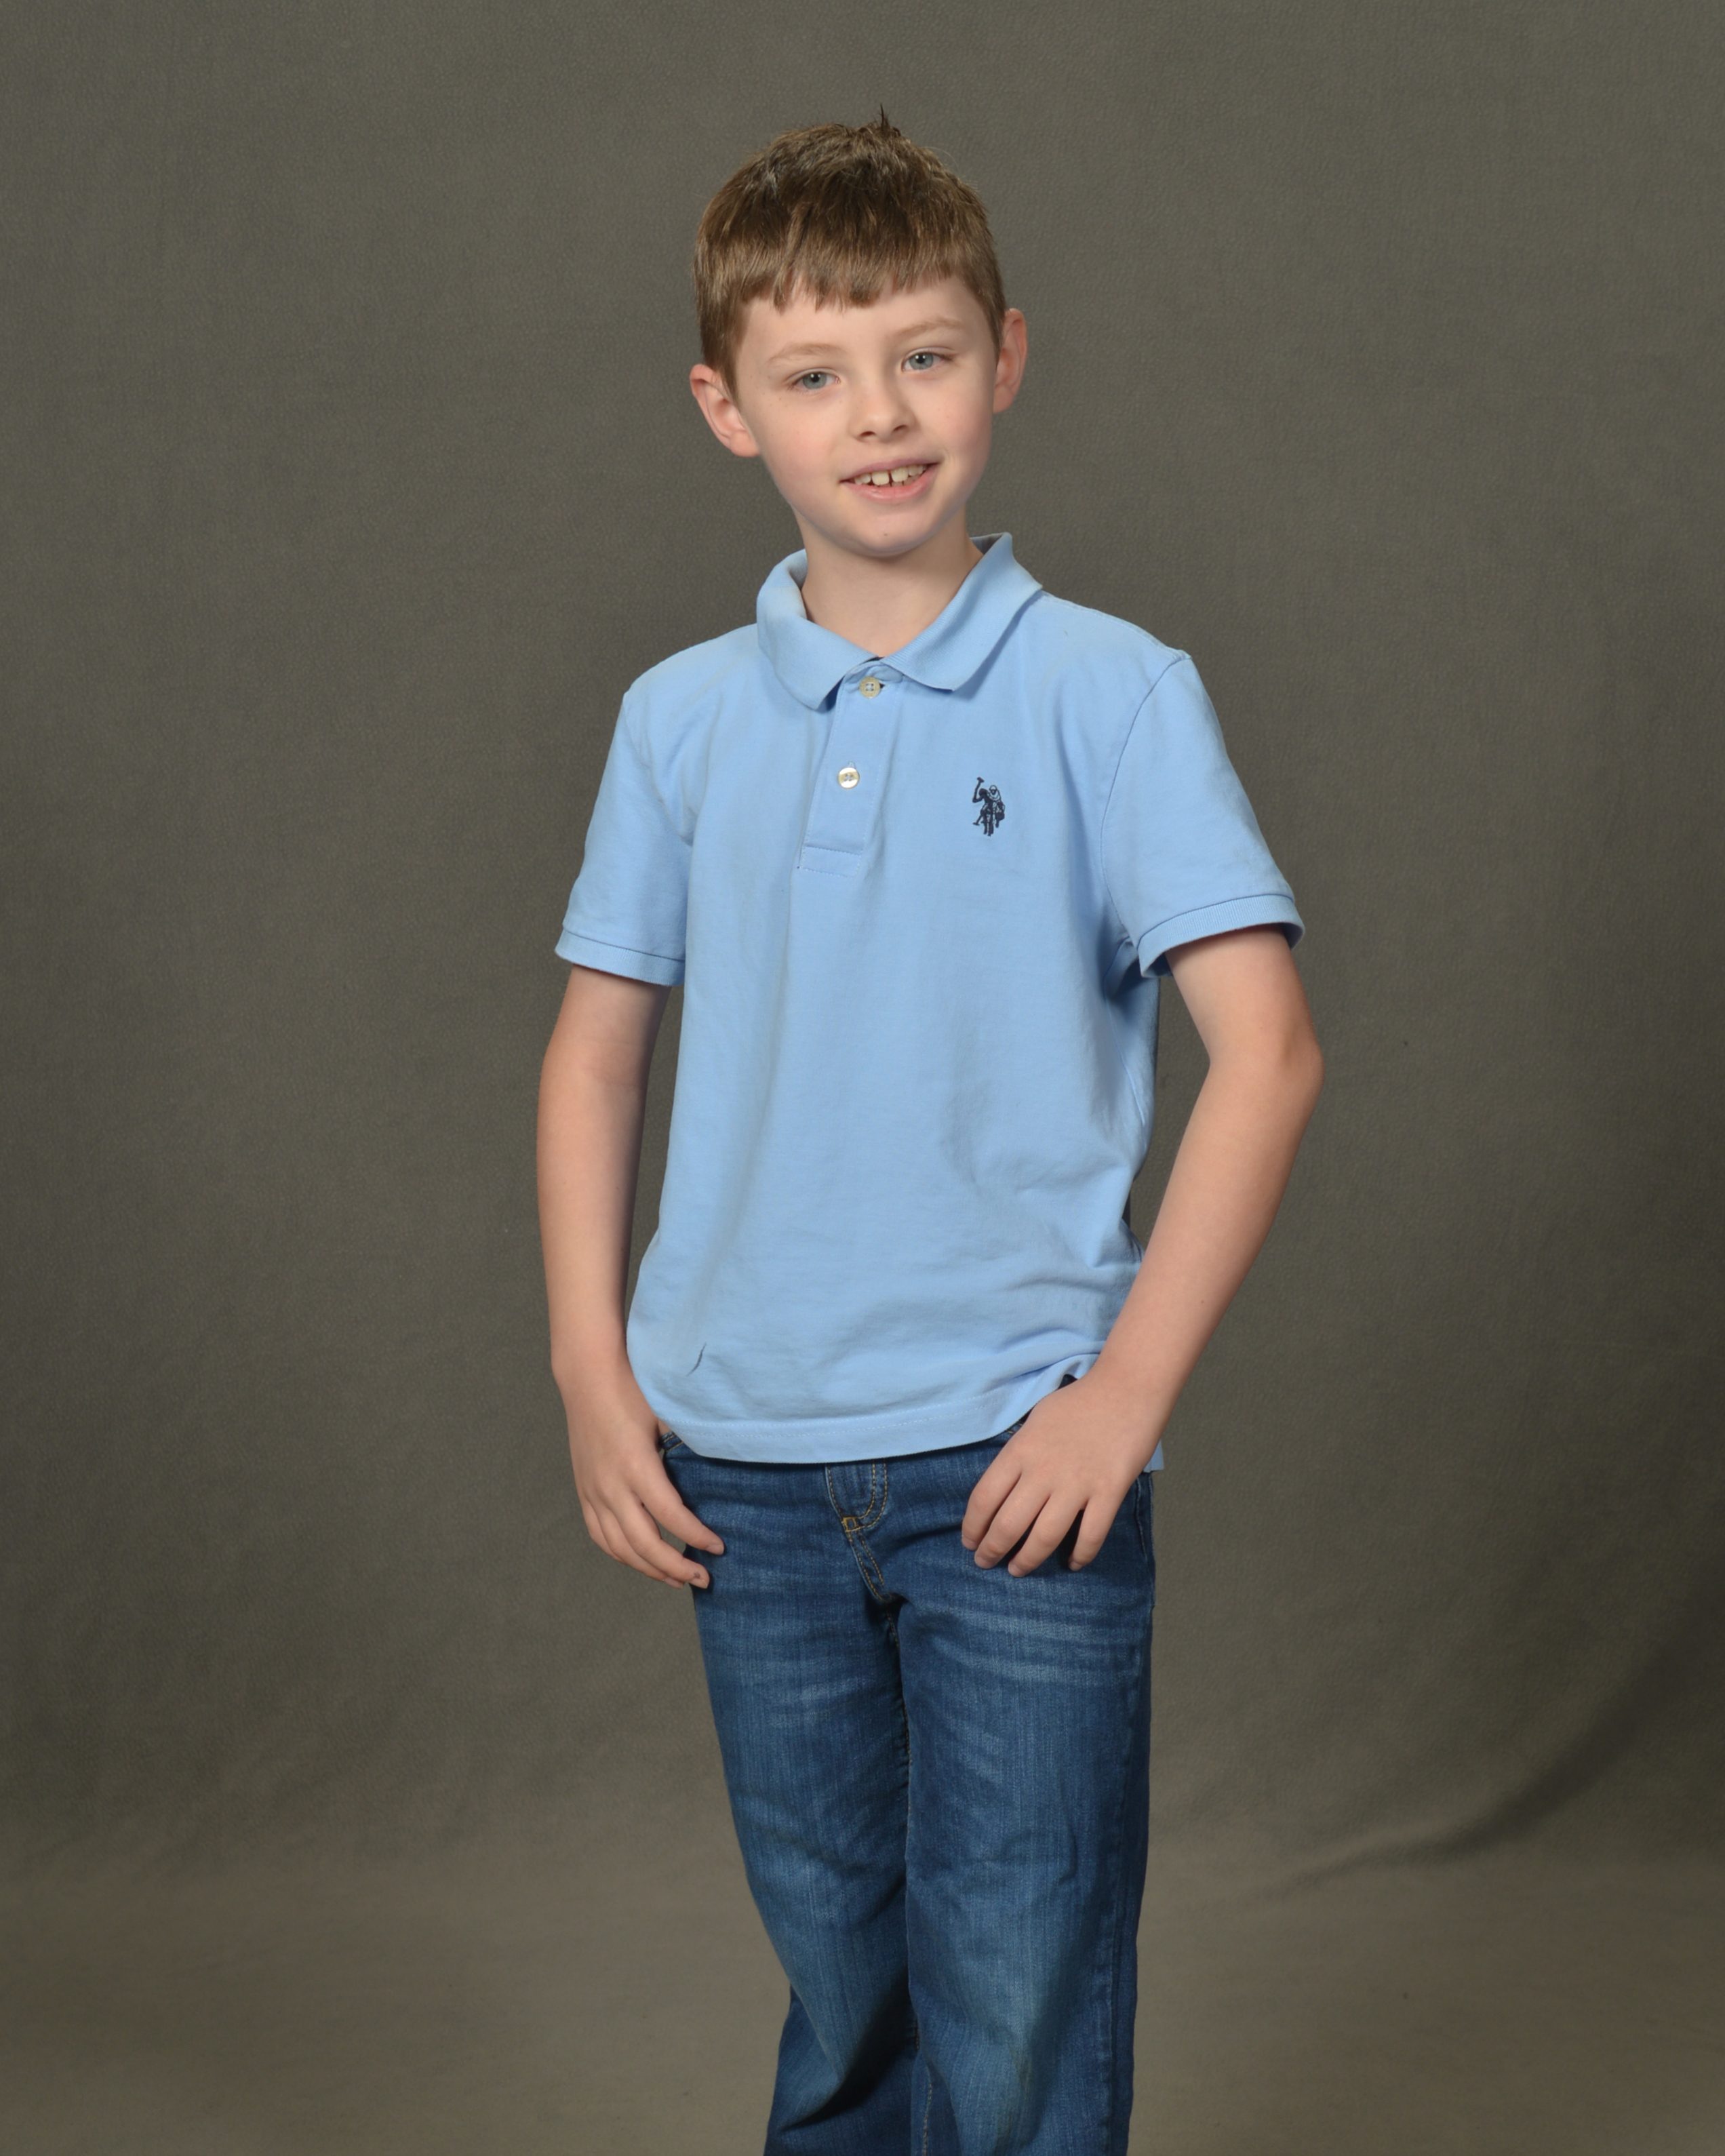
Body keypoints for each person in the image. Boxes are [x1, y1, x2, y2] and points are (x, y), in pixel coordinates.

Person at [537, 115, 1323, 2156]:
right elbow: (596, 1058)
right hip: (741, 1464)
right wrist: (593, 1374)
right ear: (729, 408)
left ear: (1006, 359)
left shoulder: (1112, 694)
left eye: (925, 356)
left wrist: (1122, 1395)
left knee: (1022, 1972)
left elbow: (1268, 1055)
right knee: (845, 1973)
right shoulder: (678, 719)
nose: (879, 415)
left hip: (1016, 1459)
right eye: (815, 372)